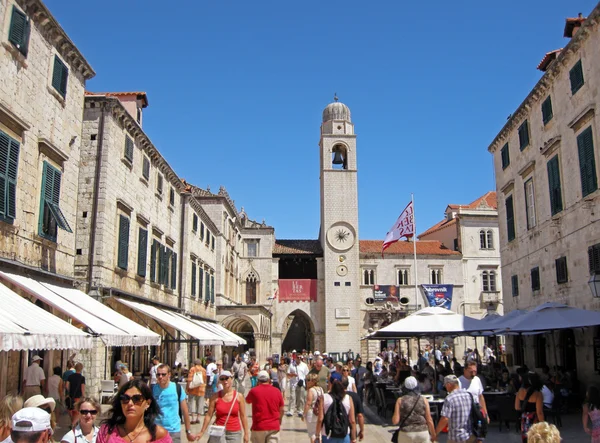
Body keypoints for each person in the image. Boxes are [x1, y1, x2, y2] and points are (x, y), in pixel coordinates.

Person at [98, 379, 171, 443]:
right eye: (125, 398)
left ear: (147, 403)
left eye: (137, 398)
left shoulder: (159, 435)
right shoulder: (107, 431)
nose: (130, 403)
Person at [198, 370, 249, 443]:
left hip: (234, 433)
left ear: (231, 379)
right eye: (222, 379)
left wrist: (246, 434)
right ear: (220, 381)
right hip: (218, 431)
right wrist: (202, 432)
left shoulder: (239, 397)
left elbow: (243, 416)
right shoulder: (215, 397)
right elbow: (209, 415)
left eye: (227, 378)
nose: (225, 381)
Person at [152, 364, 198, 443]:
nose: (160, 377)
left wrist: (188, 431)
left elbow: (185, 411)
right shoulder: (152, 389)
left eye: (163, 374)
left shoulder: (177, 388)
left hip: (173, 431)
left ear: (169, 375)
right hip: (157, 431)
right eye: (158, 374)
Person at [392, 376, 435, 443]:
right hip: (422, 433)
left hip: (406, 433)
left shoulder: (400, 400)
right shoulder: (424, 400)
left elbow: (395, 421)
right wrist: (433, 435)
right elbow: (429, 420)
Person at [434, 375, 475, 443]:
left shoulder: (450, 398)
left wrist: (435, 433)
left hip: (456, 437)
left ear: (449, 385)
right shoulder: (468, 395)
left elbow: (445, 418)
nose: (446, 388)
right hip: (469, 434)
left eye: (445, 386)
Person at [245, 370, 284, 442]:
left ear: (258, 380)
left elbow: (247, 401)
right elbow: (282, 409)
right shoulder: (277, 391)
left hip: (259, 427)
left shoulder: (254, 391)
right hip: (273, 426)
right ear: (269, 380)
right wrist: (280, 420)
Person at [515, 373, 544, 443]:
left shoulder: (520, 391)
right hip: (534, 419)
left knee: (526, 439)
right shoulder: (538, 394)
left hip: (524, 419)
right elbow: (539, 412)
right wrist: (543, 424)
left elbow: (517, 407)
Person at [303, 373, 324, 443]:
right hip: (319, 412)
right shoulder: (321, 389)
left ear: (313, 381)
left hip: (311, 413)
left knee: (312, 433)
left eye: (308, 380)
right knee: (319, 432)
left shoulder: (311, 390)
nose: (307, 382)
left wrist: (304, 414)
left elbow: (308, 403)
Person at [187, 359, 207, 425]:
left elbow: (189, 379)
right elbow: (204, 379)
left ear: (194, 364)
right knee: (200, 403)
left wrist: (187, 388)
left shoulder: (192, 369)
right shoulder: (204, 370)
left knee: (192, 402)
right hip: (201, 388)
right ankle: (198, 418)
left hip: (193, 388)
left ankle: (193, 418)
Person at [66, 363, 86, 429]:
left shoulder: (70, 377)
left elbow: (66, 386)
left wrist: (70, 391)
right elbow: (82, 388)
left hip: (71, 396)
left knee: (71, 409)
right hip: (78, 397)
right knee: (78, 411)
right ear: (81, 369)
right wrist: (83, 396)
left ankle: (73, 423)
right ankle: (73, 423)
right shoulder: (82, 378)